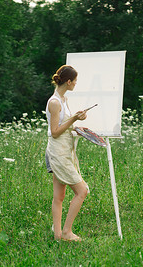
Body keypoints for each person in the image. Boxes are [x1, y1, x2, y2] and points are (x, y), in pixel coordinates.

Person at [45, 65, 88, 242]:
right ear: (68, 81)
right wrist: (73, 119)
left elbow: (64, 127)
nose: (76, 84)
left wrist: (77, 126)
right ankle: (66, 232)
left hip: (65, 150)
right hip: (58, 152)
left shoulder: (64, 100)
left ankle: (57, 236)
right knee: (82, 191)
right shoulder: (54, 102)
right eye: (75, 81)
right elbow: (54, 131)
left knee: (59, 196)